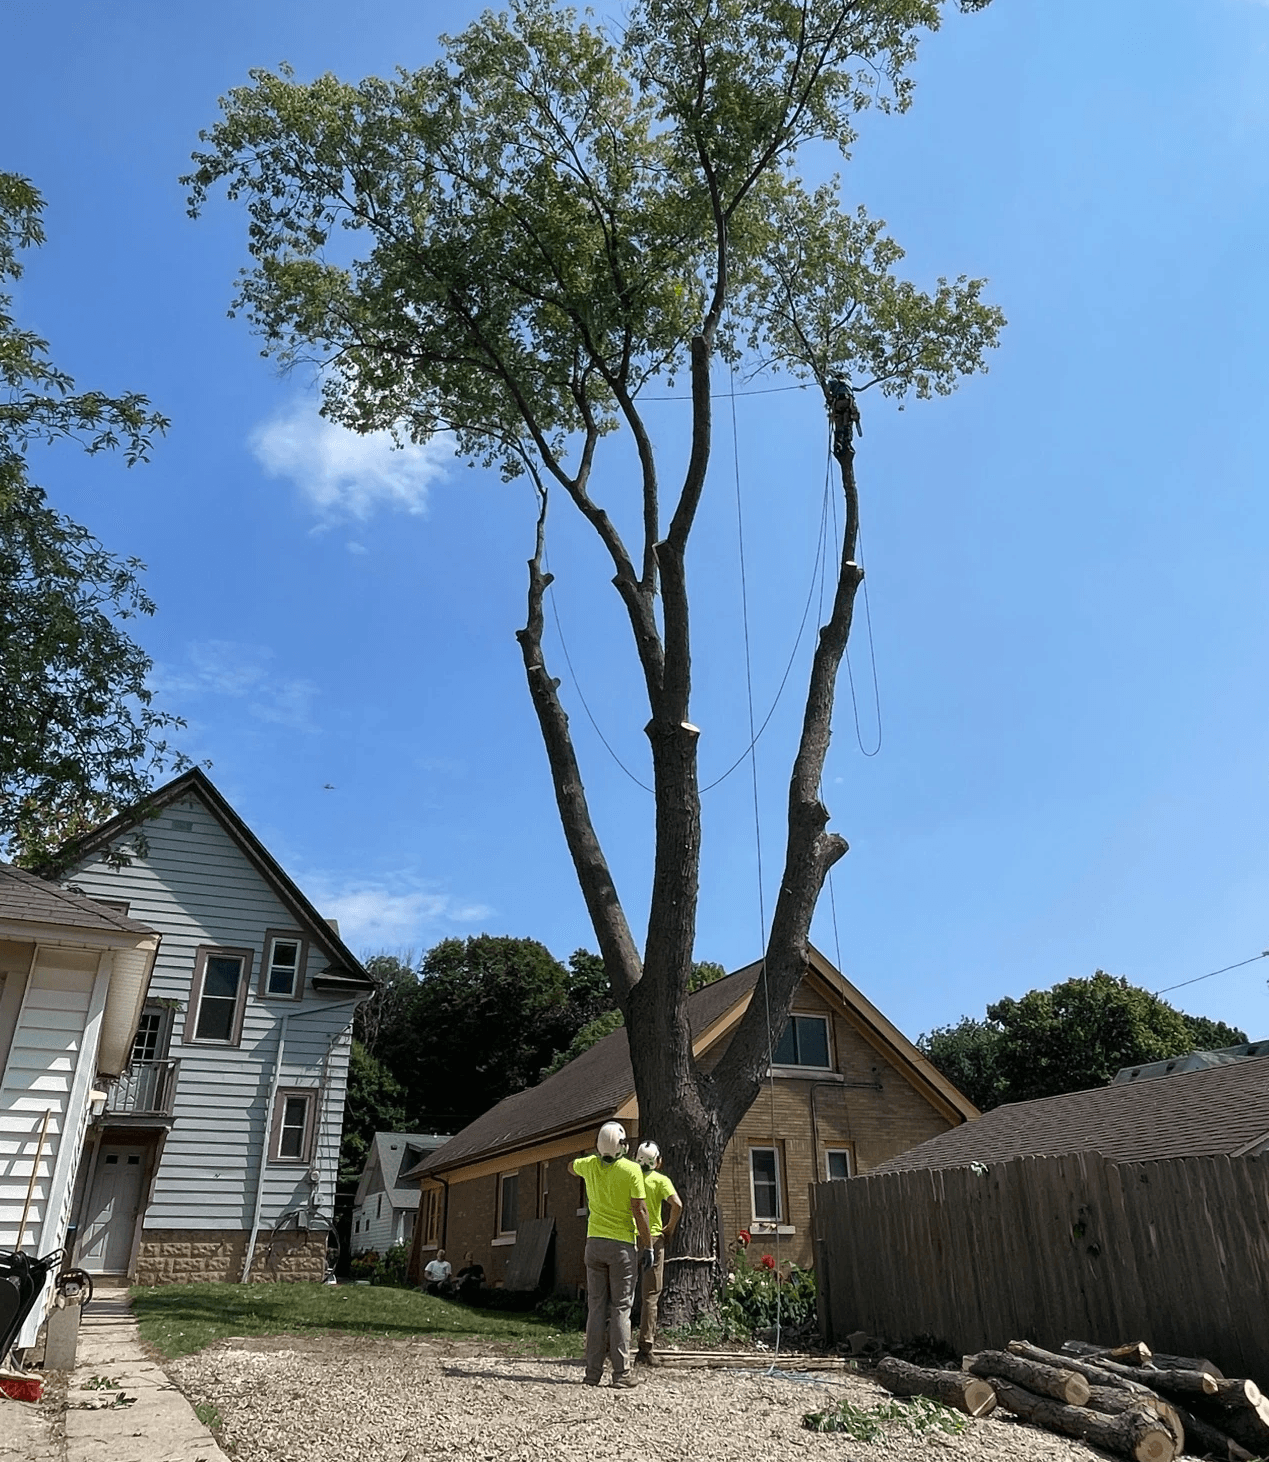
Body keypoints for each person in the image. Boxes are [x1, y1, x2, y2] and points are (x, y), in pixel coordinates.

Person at [569, 1119, 653, 1389]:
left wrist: (592, 1162)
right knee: (620, 1309)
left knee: (596, 1308)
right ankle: (621, 1373)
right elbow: (640, 1210)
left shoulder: (589, 1165)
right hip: (621, 1247)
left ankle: (592, 1373)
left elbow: (571, 1166)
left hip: (594, 1244)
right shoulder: (631, 1171)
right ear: (623, 1146)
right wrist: (648, 1245)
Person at [633, 1141, 682, 1363]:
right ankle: (645, 1347)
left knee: (620, 1293)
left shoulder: (629, 1177)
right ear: (658, 1161)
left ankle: (611, 1343)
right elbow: (677, 1205)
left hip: (628, 1237)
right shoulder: (661, 1181)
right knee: (650, 1296)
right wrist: (669, 1228)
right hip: (652, 1239)